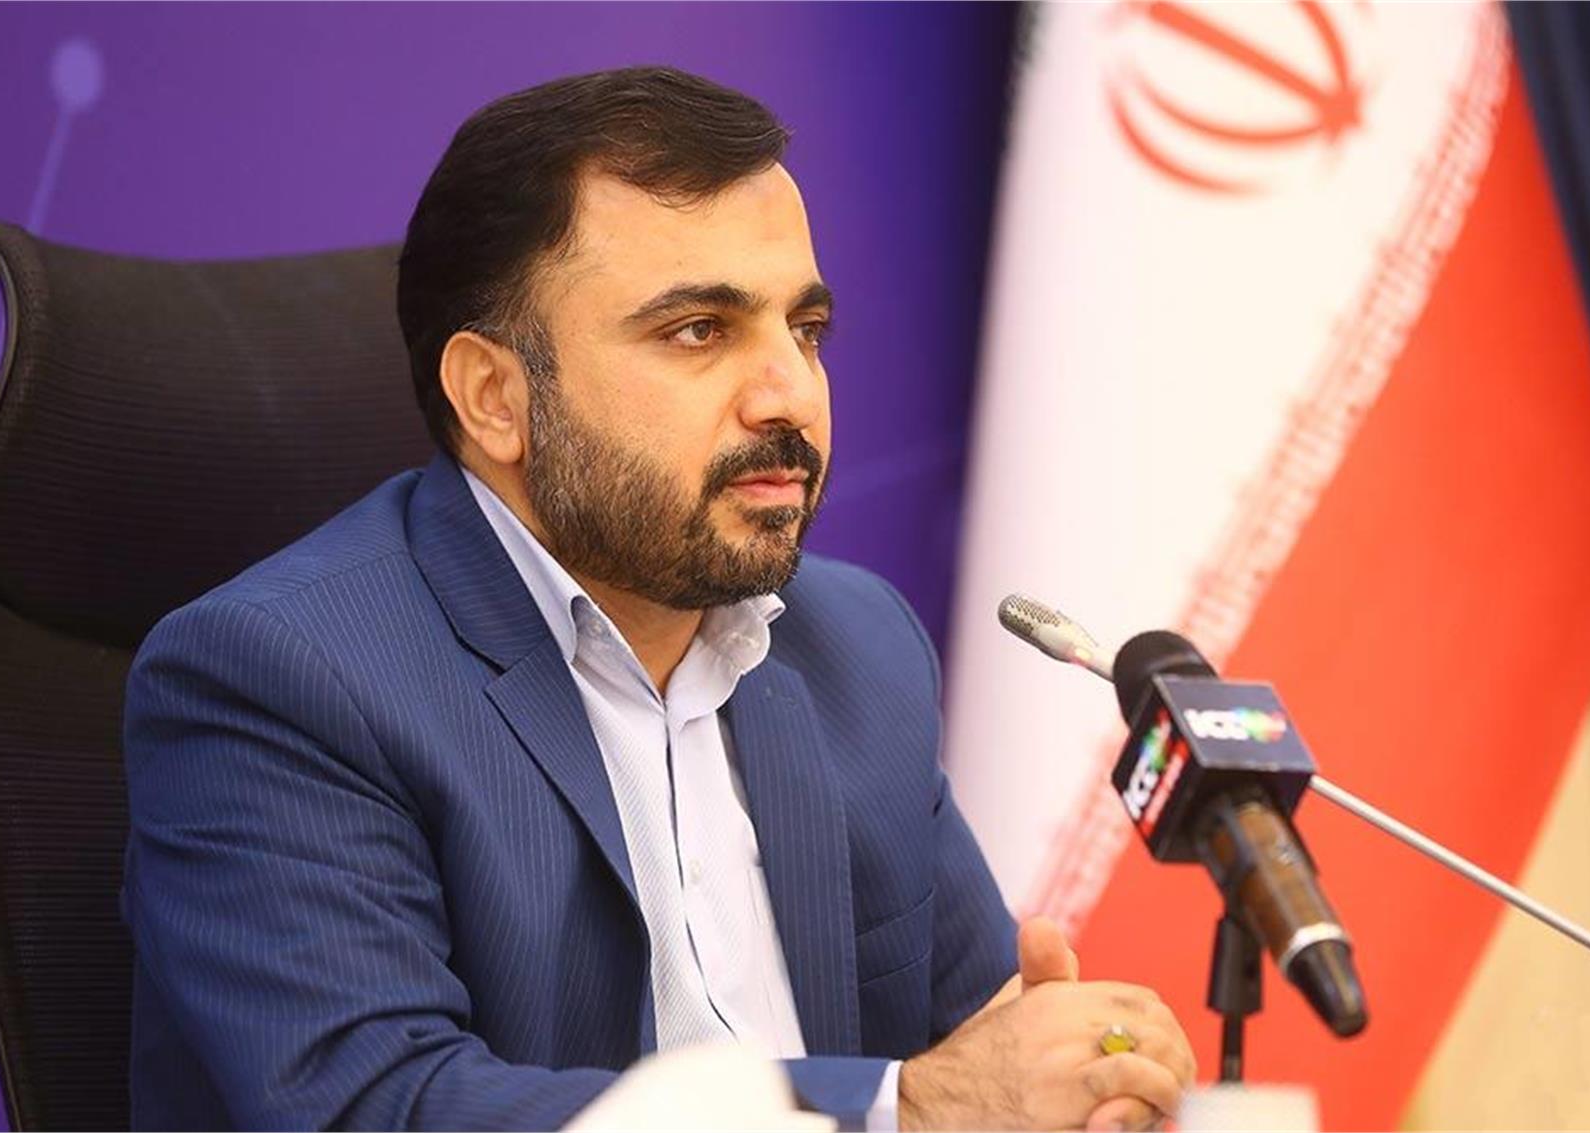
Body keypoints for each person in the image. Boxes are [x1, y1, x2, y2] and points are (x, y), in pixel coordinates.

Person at [122, 66, 1196, 1131]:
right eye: (699, 330)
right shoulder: (281, 680)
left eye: (804, 328)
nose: (789, 394)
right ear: (495, 397)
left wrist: (1076, 1074)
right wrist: (901, 1108)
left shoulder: (856, 646)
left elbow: (980, 1045)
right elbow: (380, 1106)